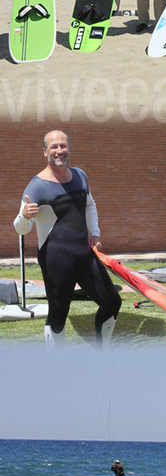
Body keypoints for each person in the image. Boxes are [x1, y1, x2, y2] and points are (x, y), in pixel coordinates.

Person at [13, 130, 121, 346]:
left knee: (112, 301)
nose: (59, 150)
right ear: (45, 152)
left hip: (84, 254)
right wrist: (25, 216)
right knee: (59, 313)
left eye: (63, 146)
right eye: (54, 147)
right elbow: (21, 229)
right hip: (56, 260)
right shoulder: (37, 186)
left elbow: (90, 204)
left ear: (68, 148)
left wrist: (95, 232)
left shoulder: (80, 175)